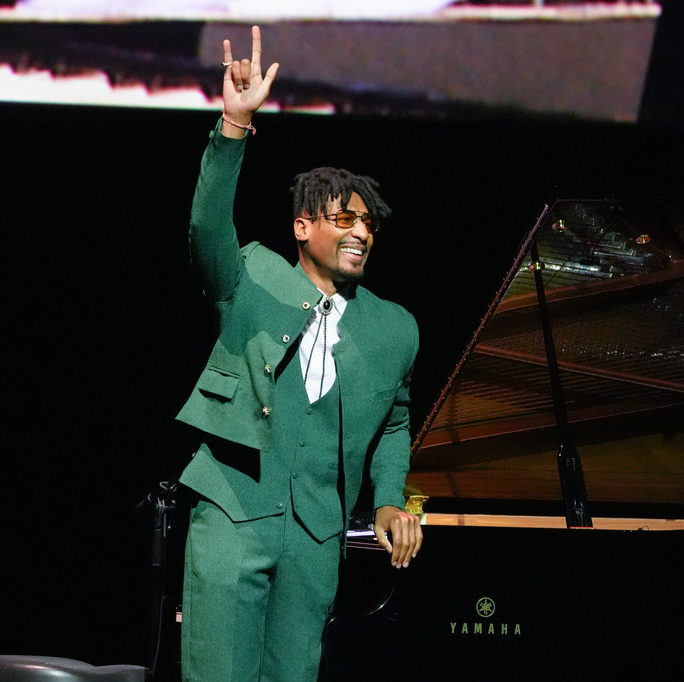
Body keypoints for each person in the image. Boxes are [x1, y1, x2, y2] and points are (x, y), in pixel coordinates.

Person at [175, 26, 423, 682]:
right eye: (345, 219)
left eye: (369, 225)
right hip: (237, 506)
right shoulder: (250, 276)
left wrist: (392, 498)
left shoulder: (394, 329)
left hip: (317, 534)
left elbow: (396, 422)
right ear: (303, 227)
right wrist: (234, 124)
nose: (361, 233)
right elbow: (206, 227)